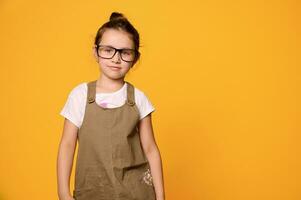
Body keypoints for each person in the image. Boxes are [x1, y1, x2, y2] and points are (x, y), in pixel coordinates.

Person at [56, 12, 165, 200]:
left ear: (135, 58)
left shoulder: (138, 99)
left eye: (125, 52)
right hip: (92, 191)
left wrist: (161, 196)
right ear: (96, 52)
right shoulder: (80, 96)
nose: (116, 59)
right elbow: (67, 145)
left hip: (135, 193)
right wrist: (63, 193)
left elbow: (150, 149)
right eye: (108, 50)